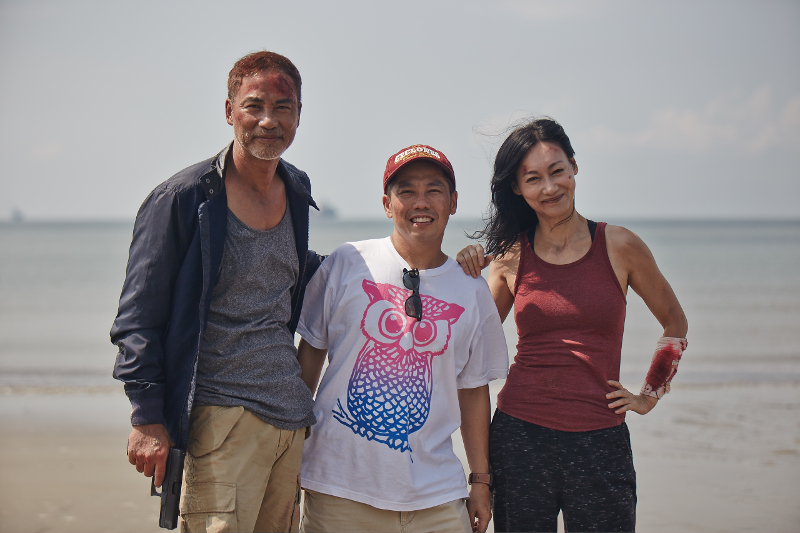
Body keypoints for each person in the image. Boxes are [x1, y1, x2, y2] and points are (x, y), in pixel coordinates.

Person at [111, 51, 324, 533]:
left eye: (283, 107)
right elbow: (137, 317)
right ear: (230, 111)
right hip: (220, 420)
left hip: (290, 422)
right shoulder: (184, 199)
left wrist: (392, 265)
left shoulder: (295, 189)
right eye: (255, 105)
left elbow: (292, 272)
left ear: (298, 115)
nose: (269, 120)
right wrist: (146, 416)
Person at [456, 118, 688, 533]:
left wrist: (648, 394)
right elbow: (469, 344)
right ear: (517, 188)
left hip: (601, 440)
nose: (549, 187)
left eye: (557, 171)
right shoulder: (510, 258)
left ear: (574, 168)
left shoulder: (620, 246)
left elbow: (675, 321)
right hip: (519, 438)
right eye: (533, 178)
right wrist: (463, 274)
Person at [295, 145, 509, 533]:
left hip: (436, 496)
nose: (420, 202)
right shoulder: (347, 262)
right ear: (386, 203)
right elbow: (307, 361)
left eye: (434, 190)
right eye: (406, 191)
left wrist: (480, 480)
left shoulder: (472, 289)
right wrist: (286, 457)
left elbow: (474, 390)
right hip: (337, 488)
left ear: (454, 202)